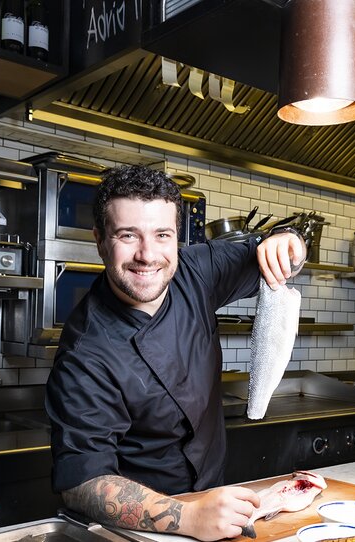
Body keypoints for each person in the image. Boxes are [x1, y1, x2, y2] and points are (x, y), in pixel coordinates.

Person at [45, 165, 308, 541]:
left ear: (176, 238)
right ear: (100, 240)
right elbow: (83, 483)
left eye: (162, 235)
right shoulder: (85, 353)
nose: (147, 255)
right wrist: (189, 516)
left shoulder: (196, 270)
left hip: (214, 508)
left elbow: (284, 259)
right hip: (137, 529)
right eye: (127, 235)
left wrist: (289, 241)